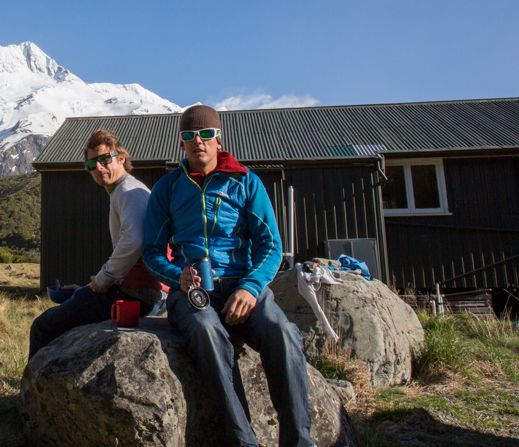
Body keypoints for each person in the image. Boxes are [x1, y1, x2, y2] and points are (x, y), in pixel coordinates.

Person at [142, 105, 313, 447]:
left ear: (219, 139)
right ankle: (242, 441)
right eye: (189, 135)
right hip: (193, 290)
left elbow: (271, 245)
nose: (198, 142)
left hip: (241, 284)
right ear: (181, 144)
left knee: (282, 333)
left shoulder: (246, 182)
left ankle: (298, 441)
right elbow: (151, 251)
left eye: (206, 134)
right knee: (206, 331)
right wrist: (178, 277)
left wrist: (251, 287)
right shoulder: (167, 188)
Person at [29, 128, 167, 360]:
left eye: (104, 160)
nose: (99, 167)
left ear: (121, 159)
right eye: (92, 164)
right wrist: (86, 290)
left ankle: (33, 393)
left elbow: (134, 241)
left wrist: (103, 280)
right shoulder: (126, 190)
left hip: (137, 296)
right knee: (73, 304)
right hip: (140, 291)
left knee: (43, 326)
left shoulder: (128, 191)